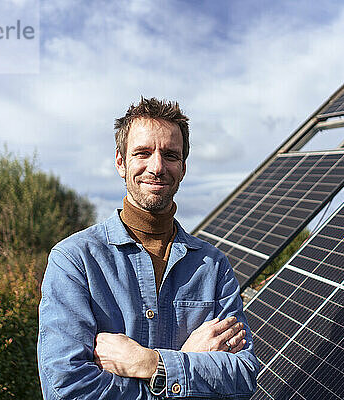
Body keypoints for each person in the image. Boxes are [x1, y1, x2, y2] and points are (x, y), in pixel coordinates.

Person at [37, 97, 259, 399]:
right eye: (143, 152)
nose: (157, 166)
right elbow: (67, 388)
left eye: (170, 155)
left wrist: (150, 363)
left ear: (182, 167)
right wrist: (186, 363)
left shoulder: (213, 266)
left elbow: (242, 379)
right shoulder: (75, 261)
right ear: (120, 162)